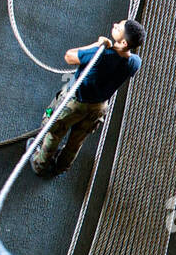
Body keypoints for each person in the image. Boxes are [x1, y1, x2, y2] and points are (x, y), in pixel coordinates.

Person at [31, 19, 145, 177]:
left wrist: (97, 45)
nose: (114, 25)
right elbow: (120, 61)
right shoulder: (135, 62)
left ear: (124, 42)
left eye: (118, 27)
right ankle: (61, 166)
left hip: (74, 103)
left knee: (54, 130)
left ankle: (40, 164)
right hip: (98, 108)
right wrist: (111, 47)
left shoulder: (100, 55)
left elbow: (69, 56)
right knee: (76, 140)